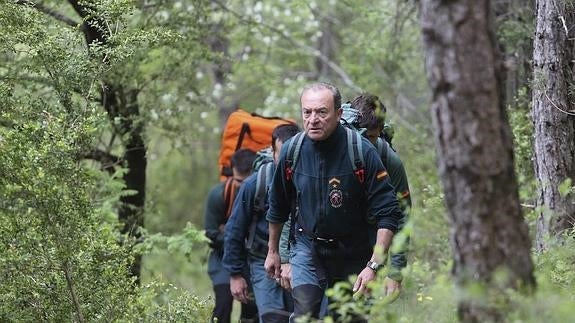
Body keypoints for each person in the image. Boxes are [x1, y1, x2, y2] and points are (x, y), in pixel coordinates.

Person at [264, 82, 403, 321]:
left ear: (338, 114)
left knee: (349, 317)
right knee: (304, 314)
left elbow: (389, 213)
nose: (313, 119)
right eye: (307, 112)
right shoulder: (292, 151)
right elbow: (278, 204)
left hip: (353, 251)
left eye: (321, 112)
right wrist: (274, 251)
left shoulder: (361, 151)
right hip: (307, 247)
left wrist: (374, 266)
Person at [223, 124, 301, 323]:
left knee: (300, 317)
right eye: (280, 155)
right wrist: (235, 275)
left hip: (300, 261)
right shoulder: (254, 185)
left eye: (291, 156)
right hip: (262, 262)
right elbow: (234, 230)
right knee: (273, 318)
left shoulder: (310, 180)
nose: (286, 162)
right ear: (272, 152)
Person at [348, 94, 412, 298]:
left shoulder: (390, 162)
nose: (368, 145)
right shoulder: (335, 152)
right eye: (364, 138)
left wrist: (395, 273)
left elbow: (403, 217)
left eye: (373, 138)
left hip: (372, 248)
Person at [204, 148, 259, 323]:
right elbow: (211, 235)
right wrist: (238, 238)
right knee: (223, 304)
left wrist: (227, 231)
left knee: (252, 310)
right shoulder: (218, 195)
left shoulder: (263, 193)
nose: (242, 187)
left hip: (251, 260)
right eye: (238, 181)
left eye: (247, 181)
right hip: (222, 260)